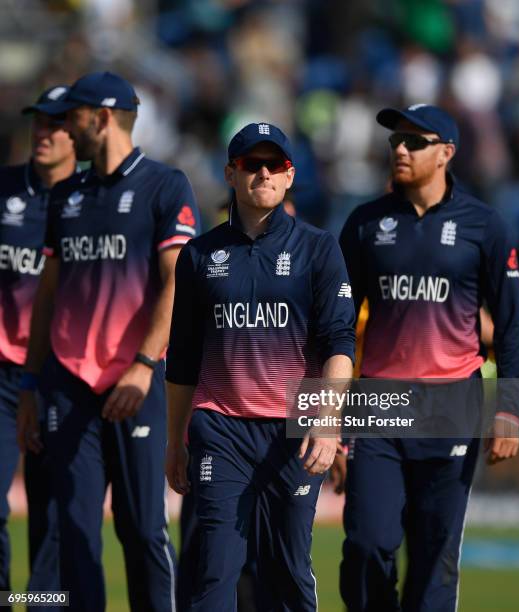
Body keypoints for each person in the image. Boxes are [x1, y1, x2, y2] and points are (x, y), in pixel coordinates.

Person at [17, 71, 201, 612]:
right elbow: (48, 295)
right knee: (73, 530)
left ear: (101, 118)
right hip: (68, 385)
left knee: (142, 528)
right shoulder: (66, 195)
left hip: (136, 384)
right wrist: (30, 383)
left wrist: (145, 364)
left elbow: (176, 285)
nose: (65, 129)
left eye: (72, 116)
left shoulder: (165, 186)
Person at [338, 104, 519, 611]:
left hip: (451, 406)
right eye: (395, 140)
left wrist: (507, 410)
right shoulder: (363, 223)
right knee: (365, 544)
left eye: (414, 142)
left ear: (447, 153)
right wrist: (323, 421)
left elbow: (509, 326)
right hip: (378, 404)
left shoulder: (484, 226)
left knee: (433, 557)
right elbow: (333, 327)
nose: (400, 149)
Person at [166, 122, 355, 611]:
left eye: (275, 165)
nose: (264, 172)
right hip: (220, 428)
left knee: (287, 570)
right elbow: (183, 357)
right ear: (231, 173)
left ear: (290, 177)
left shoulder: (318, 248)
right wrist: (174, 441)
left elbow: (340, 341)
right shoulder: (199, 255)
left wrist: (329, 421)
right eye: (252, 164)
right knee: (213, 569)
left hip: (292, 430)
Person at [0, 85, 76, 597]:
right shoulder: (2, 189)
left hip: (65, 376)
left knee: (54, 514)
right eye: (38, 122)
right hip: (3, 372)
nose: (42, 133)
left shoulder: (96, 201)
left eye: (55, 124)